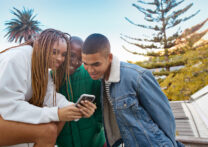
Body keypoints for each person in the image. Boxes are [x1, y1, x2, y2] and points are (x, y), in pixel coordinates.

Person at [81, 33, 184, 147]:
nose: (90, 70)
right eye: (85, 64)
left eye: (96, 64)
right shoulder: (103, 79)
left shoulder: (137, 76)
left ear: (109, 58)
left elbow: (165, 118)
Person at [0, 29, 96, 147]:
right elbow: (9, 107)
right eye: (54, 52)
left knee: (60, 117)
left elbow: (50, 95)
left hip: (5, 116)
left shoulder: (41, 66)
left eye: (63, 54)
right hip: (4, 112)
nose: (60, 58)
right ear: (41, 46)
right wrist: (57, 113)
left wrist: (75, 109)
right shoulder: (16, 59)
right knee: (48, 131)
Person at [56, 36, 106, 147]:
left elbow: (103, 108)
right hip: (65, 143)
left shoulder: (91, 75)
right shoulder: (51, 78)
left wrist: (95, 121)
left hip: (95, 142)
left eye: (80, 59)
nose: (74, 62)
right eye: (72, 55)